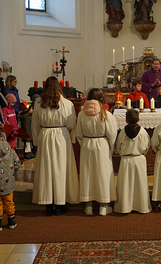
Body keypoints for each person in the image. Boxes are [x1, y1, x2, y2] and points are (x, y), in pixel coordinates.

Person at [31, 76, 79, 216]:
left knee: (46, 170)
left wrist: (36, 141)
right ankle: (60, 204)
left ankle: (48, 204)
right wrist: (71, 138)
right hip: (61, 136)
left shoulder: (39, 103)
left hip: (45, 135)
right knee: (60, 169)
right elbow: (71, 124)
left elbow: (35, 125)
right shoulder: (66, 103)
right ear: (59, 86)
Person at [76, 88, 117, 216]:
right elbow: (112, 134)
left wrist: (86, 144)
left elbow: (78, 134)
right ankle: (103, 206)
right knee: (102, 174)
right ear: (101, 99)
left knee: (87, 175)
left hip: (87, 144)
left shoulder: (82, 114)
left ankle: (88, 206)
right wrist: (110, 147)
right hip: (102, 145)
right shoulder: (105, 114)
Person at [114, 109, 152, 214]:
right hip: (139, 159)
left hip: (126, 160)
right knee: (140, 184)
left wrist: (123, 154)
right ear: (139, 119)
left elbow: (119, 146)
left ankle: (125, 207)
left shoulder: (122, 132)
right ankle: (141, 206)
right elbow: (146, 146)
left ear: (126, 120)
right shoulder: (143, 132)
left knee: (126, 184)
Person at [0, 136, 21, 231]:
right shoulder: (11, 152)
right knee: (9, 202)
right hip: (8, 183)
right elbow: (17, 163)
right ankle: (11, 221)